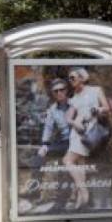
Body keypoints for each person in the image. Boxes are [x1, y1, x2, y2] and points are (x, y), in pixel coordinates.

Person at [64, 67, 111, 209]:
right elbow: (68, 117)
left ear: (82, 78)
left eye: (73, 77)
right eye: (69, 78)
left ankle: (83, 190)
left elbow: (107, 108)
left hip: (89, 132)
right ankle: (81, 200)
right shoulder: (74, 98)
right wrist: (74, 123)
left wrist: (98, 110)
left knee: (67, 160)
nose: (70, 80)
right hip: (76, 133)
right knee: (80, 164)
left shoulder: (95, 90)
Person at [37, 78, 74, 210]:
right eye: (56, 91)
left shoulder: (75, 104)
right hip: (64, 142)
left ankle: (61, 200)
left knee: (66, 163)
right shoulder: (52, 109)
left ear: (67, 91)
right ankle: (35, 192)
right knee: (38, 158)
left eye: (61, 90)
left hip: (78, 141)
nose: (59, 93)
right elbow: (48, 127)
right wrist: (45, 144)